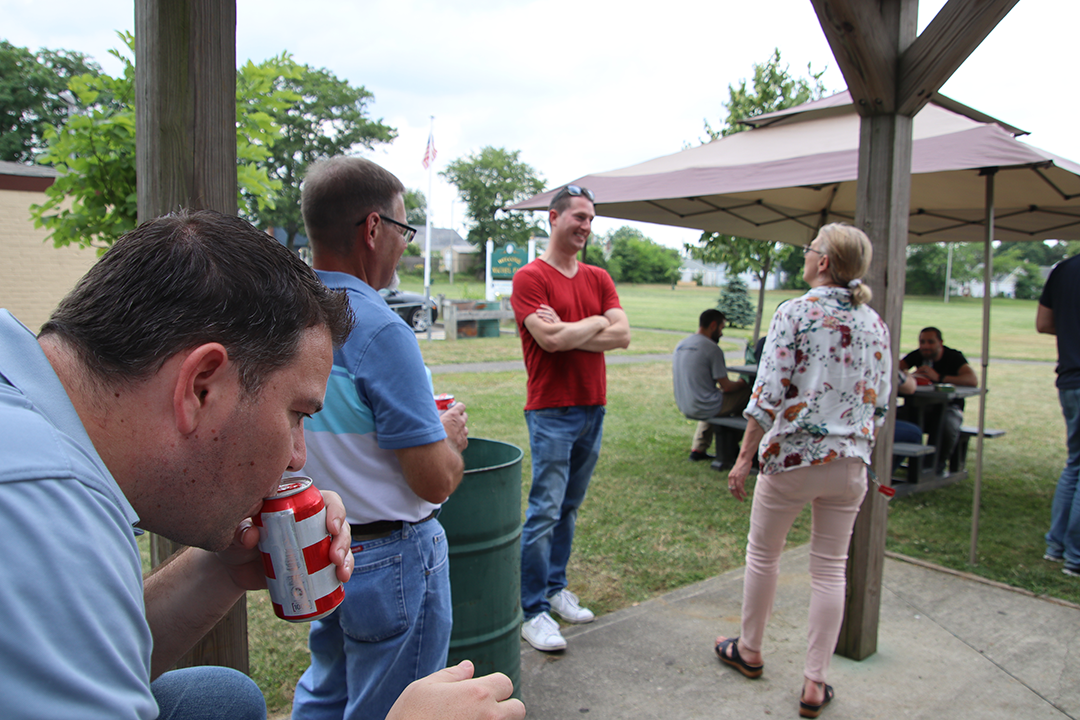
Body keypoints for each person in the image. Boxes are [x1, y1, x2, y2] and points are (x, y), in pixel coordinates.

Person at [0, 209, 523, 720]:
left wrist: (220, 570)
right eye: (297, 414)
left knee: (218, 698)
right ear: (201, 387)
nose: (299, 456)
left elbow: (99, 653)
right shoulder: (43, 506)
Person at [290, 156, 471, 720]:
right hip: (391, 556)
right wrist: (447, 439)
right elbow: (433, 480)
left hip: (320, 545)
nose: (404, 244)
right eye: (403, 229)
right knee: (393, 708)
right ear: (373, 228)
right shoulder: (380, 328)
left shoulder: (284, 313)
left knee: (326, 693)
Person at [716, 223, 891, 718]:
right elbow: (880, 403)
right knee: (831, 568)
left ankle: (750, 650)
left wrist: (745, 457)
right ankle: (815, 683)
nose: (806, 254)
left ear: (825, 262)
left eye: (811, 248)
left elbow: (767, 393)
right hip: (850, 463)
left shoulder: (795, 312)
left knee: (763, 557)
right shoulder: (874, 323)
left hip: (792, 459)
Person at [510, 184, 631, 652]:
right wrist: (597, 322)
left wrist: (576, 327)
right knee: (544, 510)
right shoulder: (530, 278)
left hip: (592, 405)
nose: (586, 226)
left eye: (591, 219)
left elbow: (622, 335)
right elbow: (550, 342)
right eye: (579, 216)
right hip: (551, 410)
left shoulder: (598, 277)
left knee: (569, 507)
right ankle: (533, 610)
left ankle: (556, 587)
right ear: (554, 218)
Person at [1037, 252, 1080, 577]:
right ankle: (1075, 557)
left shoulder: (1063, 269)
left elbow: (1044, 323)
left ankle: (1056, 546)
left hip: (1069, 380)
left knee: (1074, 463)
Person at [672, 308, 752, 461]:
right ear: (713, 325)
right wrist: (742, 384)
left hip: (685, 403)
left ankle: (699, 448)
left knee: (713, 398)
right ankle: (734, 446)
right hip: (705, 405)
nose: (721, 333)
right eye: (722, 328)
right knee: (750, 395)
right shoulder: (712, 349)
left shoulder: (681, 345)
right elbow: (727, 387)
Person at [897, 327, 977, 472]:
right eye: (922, 342)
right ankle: (899, 463)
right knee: (894, 418)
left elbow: (972, 380)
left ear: (940, 343)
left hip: (949, 407)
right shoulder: (917, 355)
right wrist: (911, 377)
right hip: (917, 407)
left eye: (930, 342)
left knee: (946, 425)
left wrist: (939, 378)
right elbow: (895, 370)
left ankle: (934, 466)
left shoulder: (953, 357)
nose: (926, 346)